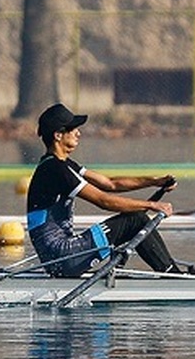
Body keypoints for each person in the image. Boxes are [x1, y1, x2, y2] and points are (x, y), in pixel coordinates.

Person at [26, 103, 182, 276]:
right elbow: (103, 201)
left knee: (134, 219)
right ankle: (174, 276)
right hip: (62, 257)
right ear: (58, 135)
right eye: (73, 129)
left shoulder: (63, 165)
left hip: (61, 257)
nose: (79, 133)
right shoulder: (56, 170)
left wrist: (155, 181)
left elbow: (110, 183)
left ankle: (170, 273)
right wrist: (153, 205)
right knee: (135, 220)